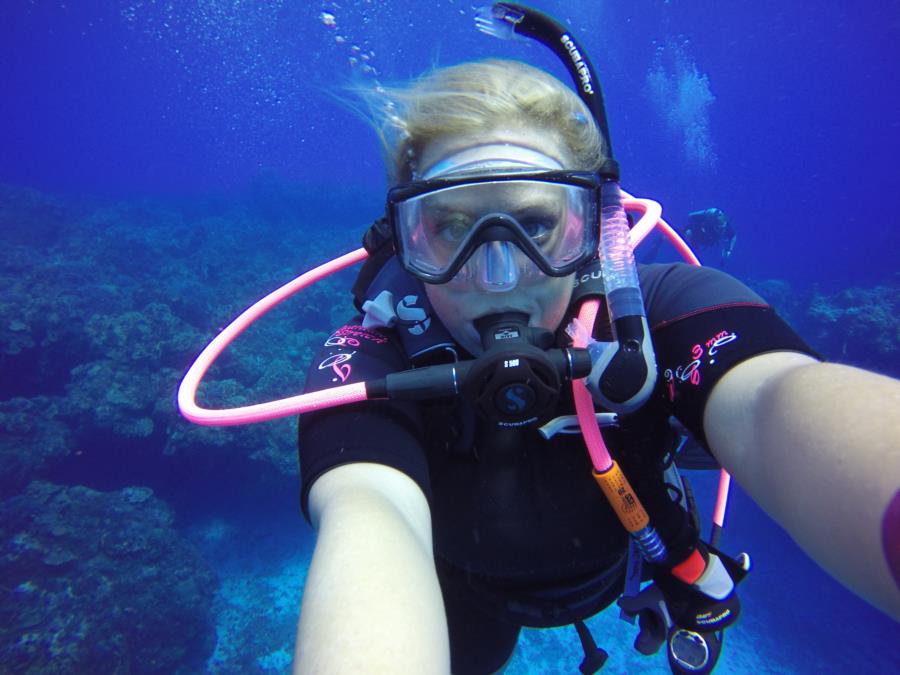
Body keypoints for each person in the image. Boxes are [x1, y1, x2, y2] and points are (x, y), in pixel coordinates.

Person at [290, 9, 900, 675]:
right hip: (465, 598)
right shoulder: (370, 357)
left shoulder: (664, 311)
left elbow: (773, 400)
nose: (499, 277)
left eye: (536, 225)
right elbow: (366, 510)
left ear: (594, 230)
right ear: (404, 239)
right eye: (451, 228)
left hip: (632, 562)